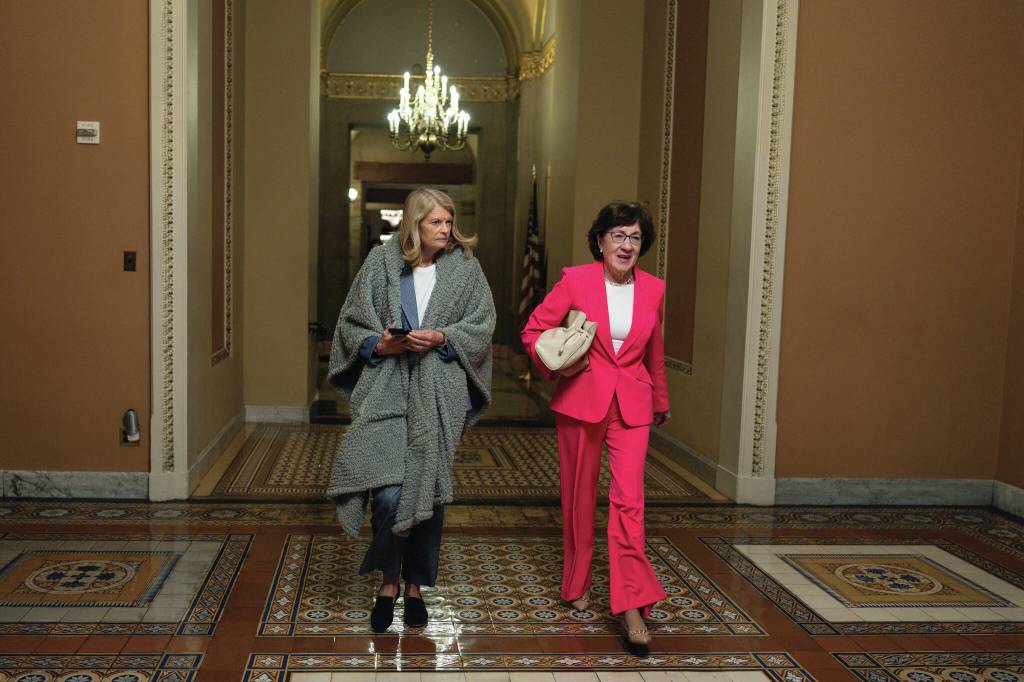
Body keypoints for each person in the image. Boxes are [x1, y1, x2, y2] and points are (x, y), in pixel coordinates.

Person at [326, 187, 495, 633]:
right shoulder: (381, 263)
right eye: (436, 222)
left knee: (428, 490)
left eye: (448, 221)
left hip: (439, 390)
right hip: (387, 388)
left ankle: (414, 587)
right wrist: (378, 344)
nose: (445, 229)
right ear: (414, 225)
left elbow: (482, 324)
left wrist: (443, 338)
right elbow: (350, 322)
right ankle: (388, 581)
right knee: (386, 494)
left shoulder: (466, 270)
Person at [520, 201, 670, 651]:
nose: (627, 245)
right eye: (619, 236)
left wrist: (660, 398)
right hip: (582, 400)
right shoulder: (577, 281)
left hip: (633, 404)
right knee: (578, 497)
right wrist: (560, 368)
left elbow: (653, 350)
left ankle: (630, 605)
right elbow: (532, 331)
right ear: (601, 240)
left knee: (629, 502)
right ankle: (577, 581)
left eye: (636, 238)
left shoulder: (654, 289)